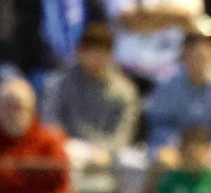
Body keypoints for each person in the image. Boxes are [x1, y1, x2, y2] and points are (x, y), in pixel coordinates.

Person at [40, 22, 139, 170]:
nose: (96, 58)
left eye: (102, 52)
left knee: (132, 163)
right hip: (72, 146)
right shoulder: (61, 83)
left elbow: (123, 133)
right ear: (80, 52)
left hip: (109, 150)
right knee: (66, 155)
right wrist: (64, 143)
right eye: (91, 51)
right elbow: (51, 121)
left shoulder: (124, 90)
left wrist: (106, 151)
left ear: (111, 55)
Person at [144, 30, 211, 157]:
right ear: (185, 57)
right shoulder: (166, 82)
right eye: (195, 58)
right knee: (163, 159)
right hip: (173, 145)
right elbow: (159, 124)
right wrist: (177, 148)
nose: (199, 63)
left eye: (204, 59)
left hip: (210, 148)